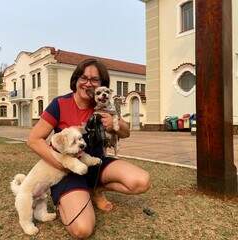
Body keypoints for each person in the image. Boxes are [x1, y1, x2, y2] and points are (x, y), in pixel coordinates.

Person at [27, 58, 150, 239]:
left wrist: (114, 125)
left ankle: (95, 190)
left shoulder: (104, 104)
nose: (88, 83)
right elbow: (33, 140)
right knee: (82, 230)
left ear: (102, 85)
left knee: (141, 181)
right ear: (76, 80)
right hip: (67, 171)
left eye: (95, 80)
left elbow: (126, 132)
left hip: (96, 164)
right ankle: (69, 199)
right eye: (84, 78)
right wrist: (62, 164)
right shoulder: (60, 104)